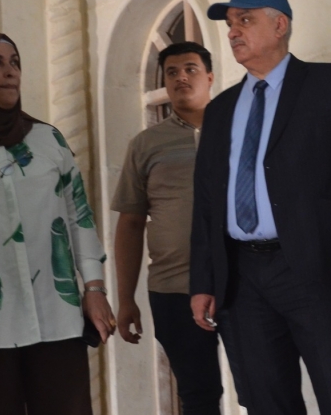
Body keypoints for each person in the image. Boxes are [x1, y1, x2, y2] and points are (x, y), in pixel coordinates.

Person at [189, 0, 331, 415]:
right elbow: (206, 202)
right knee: (264, 400)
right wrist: (204, 281)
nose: (233, 32)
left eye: (245, 20)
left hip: (314, 267)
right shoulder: (220, 109)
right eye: (229, 24)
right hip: (240, 278)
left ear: (280, 25)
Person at [0, 32, 114, 415]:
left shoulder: (46, 140)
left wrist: (95, 288)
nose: (10, 73)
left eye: (15, 62)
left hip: (56, 316)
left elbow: (78, 216)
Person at [112, 42, 223, 415]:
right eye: (172, 72)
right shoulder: (146, 145)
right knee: (197, 395)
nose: (181, 78)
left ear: (210, 77)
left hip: (242, 283)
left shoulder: (238, 132)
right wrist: (126, 299)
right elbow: (129, 224)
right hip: (174, 288)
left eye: (190, 69)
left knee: (264, 387)